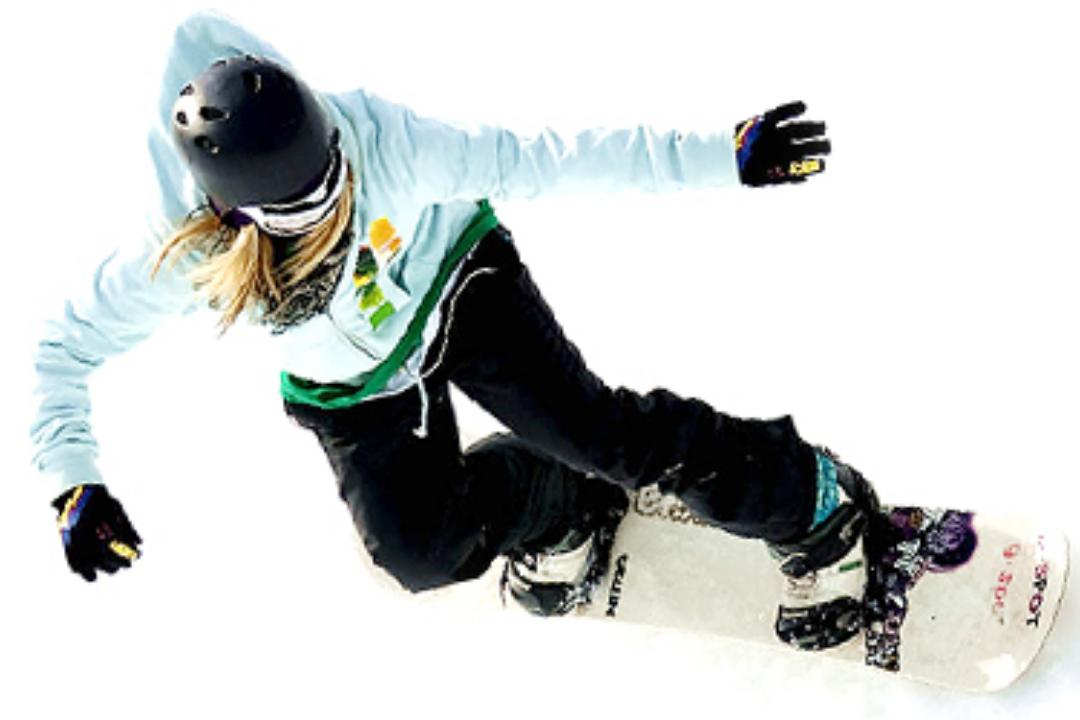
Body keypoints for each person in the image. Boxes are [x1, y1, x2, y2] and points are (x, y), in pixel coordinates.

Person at [31, 12, 876, 641]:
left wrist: (718, 157)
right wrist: (74, 483)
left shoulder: (382, 141)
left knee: (603, 436)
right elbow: (60, 352)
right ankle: (556, 509)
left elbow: (543, 159)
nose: (341, 198)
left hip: (459, 283)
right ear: (240, 216)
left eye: (336, 175)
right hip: (353, 382)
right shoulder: (181, 254)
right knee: (419, 555)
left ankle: (811, 503)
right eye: (312, 207)